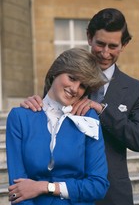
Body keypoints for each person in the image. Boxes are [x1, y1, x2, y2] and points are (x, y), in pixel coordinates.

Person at [20, 8, 139, 205]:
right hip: (66, 192)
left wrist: (101, 110)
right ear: (89, 37)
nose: (105, 53)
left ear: (124, 45)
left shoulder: (136, 89)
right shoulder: (65, 76)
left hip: (113, 193)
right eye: (100, 44)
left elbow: (137, 140)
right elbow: (47, 120)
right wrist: (32, 106)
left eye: (113, 46)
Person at [6, 48, 110, 204]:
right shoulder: (20, 117)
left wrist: (45, 187)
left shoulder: (88, 119)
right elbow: (17, 189)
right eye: (72, 78)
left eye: (82, 85)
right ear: (56, 72)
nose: (75, 89)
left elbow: (98, 186)